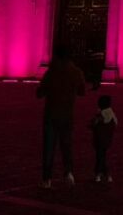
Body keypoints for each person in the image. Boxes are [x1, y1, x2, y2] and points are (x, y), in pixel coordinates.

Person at [36, 43, 86, 189]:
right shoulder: (76, 72)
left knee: (49, 148)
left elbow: (40, 93)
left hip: (51, 113)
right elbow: (82, 92)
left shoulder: (52, 72)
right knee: (67, 145)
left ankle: (47, 179)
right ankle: (69, 173)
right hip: (67, 113)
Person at [90, 94, 118, 183]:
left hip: (99, 139)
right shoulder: (111, 113)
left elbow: (94, 123)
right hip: (107, 139)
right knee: (102, 156)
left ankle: (100, 174)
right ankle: (105, 174)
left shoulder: (100, 114)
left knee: (100, 157)